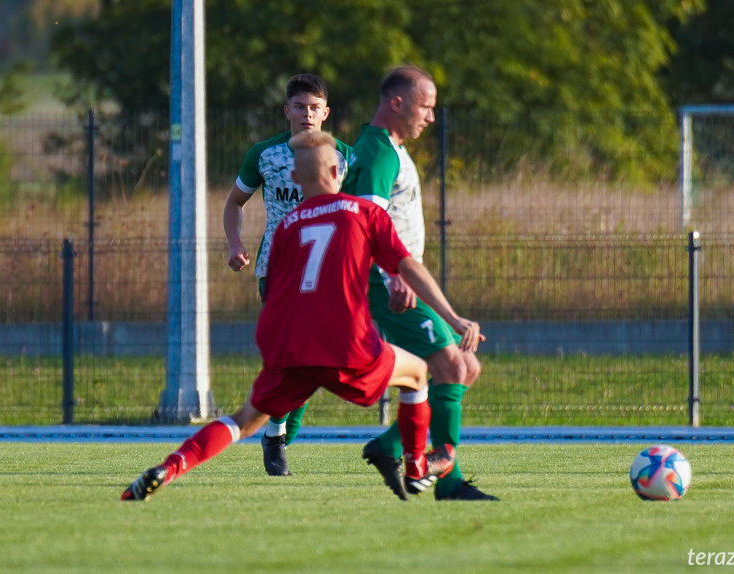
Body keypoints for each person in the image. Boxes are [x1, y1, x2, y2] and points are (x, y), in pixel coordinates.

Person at [122, 130, 485, 502]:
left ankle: (169, 468)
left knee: (242, 421)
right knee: (418, 374)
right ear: (338, 170)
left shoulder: (287, 227)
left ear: (295, 178)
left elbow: (278, 295)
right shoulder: (364, 213)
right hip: (347, 345)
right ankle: (415, 469)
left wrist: (275, 351)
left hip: (292, 347)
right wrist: (454, 318)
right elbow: (406, 267)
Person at [340, 66, 498, 501]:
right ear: (397, 103)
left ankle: (391, 447)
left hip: (403, 276)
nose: (430, 116)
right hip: (389, 283)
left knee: (466, 366)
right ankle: (442, 468)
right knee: (452, 366)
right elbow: (366, 227)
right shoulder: (376, 153)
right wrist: (392, 278)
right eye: (425, 106)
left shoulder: (392, 148)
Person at [223, 73, 351, 477]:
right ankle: (276, 436)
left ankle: (278, 433)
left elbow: (365, 210)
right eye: (299, 106)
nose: (307, 114)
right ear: (287, 111)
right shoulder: (264, 154)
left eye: (315, 108)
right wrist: (234, 243)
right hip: (276, 269)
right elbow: (234, 203)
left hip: (328, 270)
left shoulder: (345, 155)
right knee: (290, 354)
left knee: (317, 361)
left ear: (326, 112)